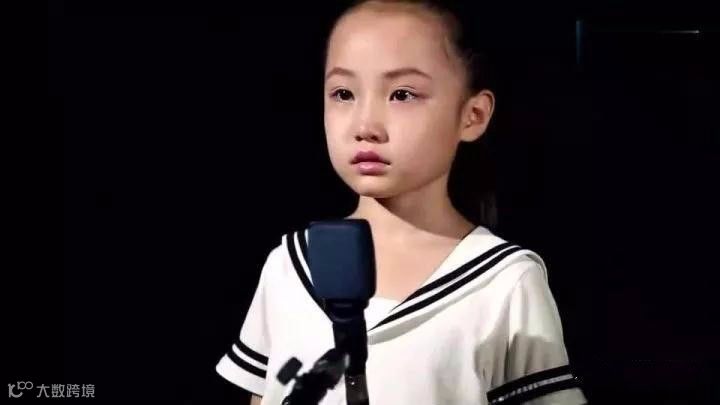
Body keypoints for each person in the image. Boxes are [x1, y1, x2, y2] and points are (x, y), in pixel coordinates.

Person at [216, 1, 587, 403]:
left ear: (473, 115)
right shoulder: (289, 266)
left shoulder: (505, 282)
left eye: (402, 94)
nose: (365, 126)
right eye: (343, 93)